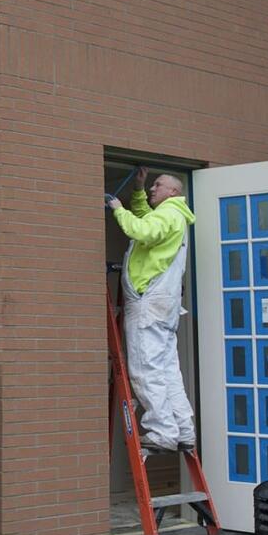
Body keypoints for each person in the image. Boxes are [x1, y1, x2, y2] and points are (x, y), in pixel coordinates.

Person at [106, 167, 197, 453]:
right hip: (163, 304)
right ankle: (183, 430)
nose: (152, 189)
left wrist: (118, 209)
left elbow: (143, 231)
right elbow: (148, 218)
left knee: (146, 369)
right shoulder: (174, 215)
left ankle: (162, 432)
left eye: (158, 185)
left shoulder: (169, 214)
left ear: (174, 191)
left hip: (149, 303)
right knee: (167, 370)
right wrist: (137, 189)